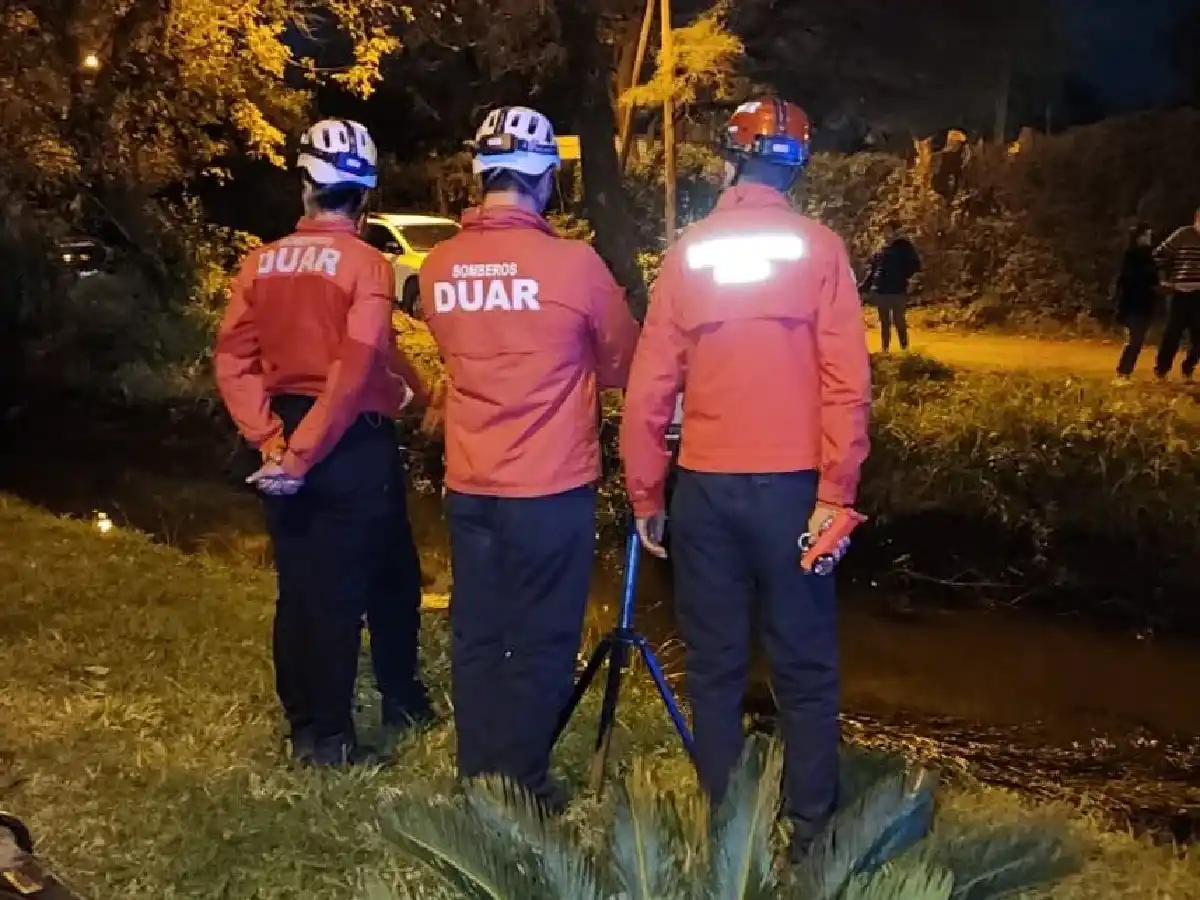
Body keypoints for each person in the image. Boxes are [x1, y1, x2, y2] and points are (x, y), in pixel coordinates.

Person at [621, 97, 872, 857]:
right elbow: (847, 384)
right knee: (803, 662)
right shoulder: (820, 249)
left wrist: (645, 493)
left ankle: (723, 820)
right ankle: (809, 830)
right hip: (796, 488)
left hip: (704, 489)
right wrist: (839, 492)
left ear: (729, 156)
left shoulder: (689, 252)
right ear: (797, 166)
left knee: (716, 663)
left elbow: (650, 386)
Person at [419, 106, 639, 808]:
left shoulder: (439, 265)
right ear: (546, 179)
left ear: (480, 173)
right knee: (543, 640)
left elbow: (458, 354)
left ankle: (477, 772)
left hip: (470, 483)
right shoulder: (574, 265)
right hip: (550, 485)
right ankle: (523, 784)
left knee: (479, 631)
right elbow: (623, 360)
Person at [215, 118, 432, 767]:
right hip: (348, 444)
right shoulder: (368, 263)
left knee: (320, 581)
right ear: (364, 197)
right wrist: (305, 453)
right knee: (340, 593)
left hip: (287, 431)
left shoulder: (260, 262)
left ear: (305, 183)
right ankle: (329, 740)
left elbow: (233, 360)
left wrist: (271, 441)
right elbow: (357, 365)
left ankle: (367, 705)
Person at [1154, 206, 1200, 382]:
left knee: (1198, 336)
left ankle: (1188, 367)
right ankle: (1161, 369)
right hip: (1180, 291)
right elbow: (1159, 255)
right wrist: (1163, 279)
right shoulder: (1183, 234)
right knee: (1173, 332)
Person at [861, 220, 921, 353]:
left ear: (895, 231)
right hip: (881, 291)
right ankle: (885, 350)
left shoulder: (904, 247)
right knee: (884, 323)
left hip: (897, 290)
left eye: (888, 230)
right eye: (884, 231)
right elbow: (873, 270)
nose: (886, 233)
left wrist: (910, 280)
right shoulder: (880, 249)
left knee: (899, 321)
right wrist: (863, 287)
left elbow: (915, 265)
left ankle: (905, 350)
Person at [1112, 223, 1160, 383]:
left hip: (1145, 303)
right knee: (1135, 339)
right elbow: (1127, 280)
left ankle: (1125, 372)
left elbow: (1153, 279)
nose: (1149, 238)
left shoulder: (1148, 256)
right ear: (1139, 237)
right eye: (1146, 235)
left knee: (1137, 340)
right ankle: (1122, 371)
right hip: (1133, 303)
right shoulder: (1132, 256)